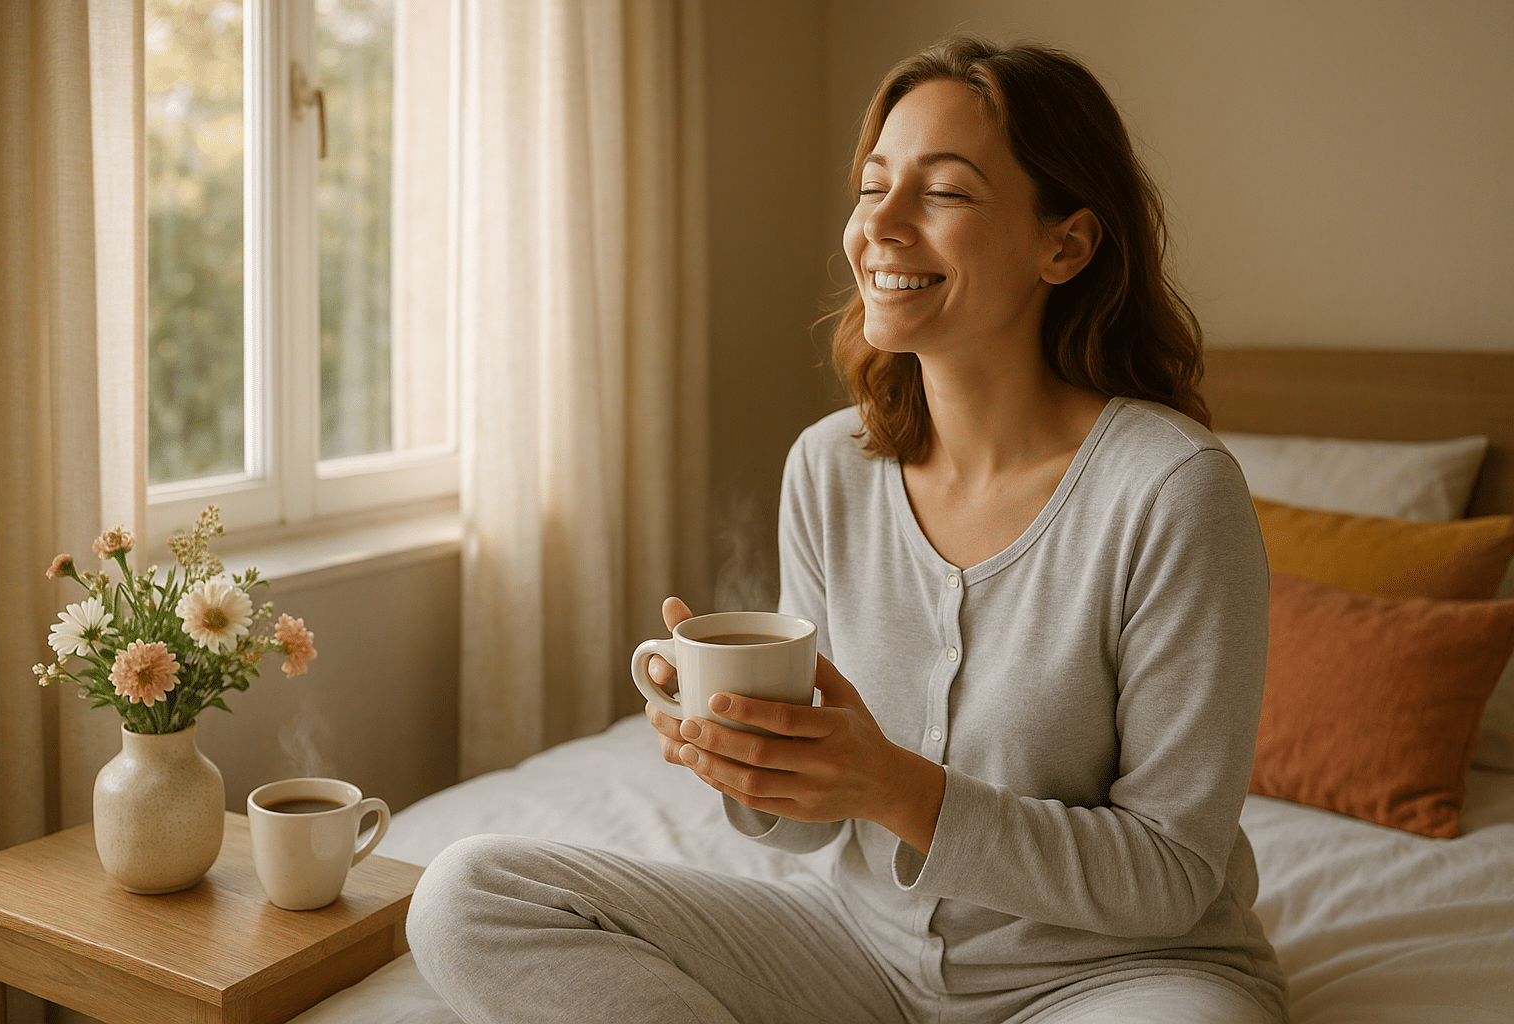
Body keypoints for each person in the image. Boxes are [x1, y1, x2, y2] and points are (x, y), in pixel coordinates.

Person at [408, 35, 1287, 1024]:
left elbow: (1169, 871)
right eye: (873, 187)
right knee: (465, 893)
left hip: (1118, 978)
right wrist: (749, 758)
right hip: (862, 960)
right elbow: (807, 835)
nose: (882, 226)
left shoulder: (1172, 492)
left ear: (1066, 244)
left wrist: (900, 789)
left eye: (945, 193)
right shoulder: (831, 466)